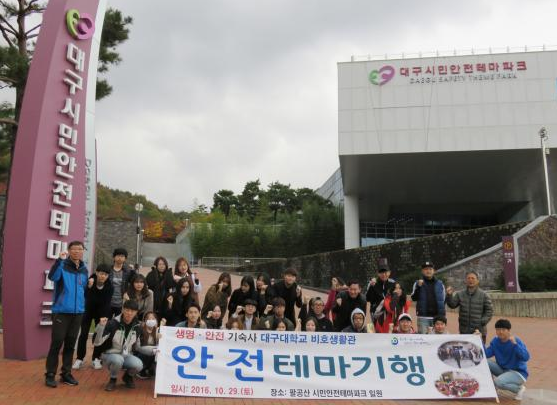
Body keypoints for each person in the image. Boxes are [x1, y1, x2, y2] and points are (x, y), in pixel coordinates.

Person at [45, 242, 89, 388]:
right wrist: (59, 260)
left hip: (78, 313)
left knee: (70, 345)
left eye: (80, 249)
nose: (77, 251)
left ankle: (66, 373)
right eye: (74, 249)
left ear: (82, 251)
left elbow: (83, 289)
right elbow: (52, 277)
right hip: (61, 312)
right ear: (69, 251)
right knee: (57, 343)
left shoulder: (84, 269)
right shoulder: (62, 265)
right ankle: (50, 374)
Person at [94, 300, 144, 392]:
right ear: (122, 309)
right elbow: (97, 343)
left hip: (126, 355)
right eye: (127, 310)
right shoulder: (112, 324)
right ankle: (113, 379)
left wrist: (154, 350)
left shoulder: (138, 326)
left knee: (139, 365)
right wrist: (101, 327)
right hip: (109, 354)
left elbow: (138, 347)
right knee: (118, 360)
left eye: (132, 311)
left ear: (136, 312)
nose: (129, 313)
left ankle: (127, 377)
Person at [73, 263, 114, 371]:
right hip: (88, 310)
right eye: (101, 273)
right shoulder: (89, 281)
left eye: (105, 274)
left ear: (108, 276)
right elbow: (84, 296)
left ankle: (96, 358)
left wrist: (104, 317)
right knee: (83, 334)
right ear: (96, 273)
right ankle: (79, 358)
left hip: (101, 312)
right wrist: (89, 287)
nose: (103, 276)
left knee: (98, 335)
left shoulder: (110, 287)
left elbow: (107, 303)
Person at [485, 319, 530, 400]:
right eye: (498, 329)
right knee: (486, 362)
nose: (500, 332)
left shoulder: (516, 341)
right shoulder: (495, 341)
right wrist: (479, 339)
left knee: (498, 382)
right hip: (504, 370)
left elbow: (526, 357)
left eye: (503, 329)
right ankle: (493, 386)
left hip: (518, 373)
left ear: (509, 331)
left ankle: (519, 389)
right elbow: (486, 354)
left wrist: (515, 345)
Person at [446, 271, 493, 343]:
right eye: (468, 278)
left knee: (479, 349)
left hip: (478, 331)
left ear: (477, 281)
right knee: (464, 349)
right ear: (466, 280)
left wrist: (482, 322)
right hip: (464, 331)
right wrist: (449, 295)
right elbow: (452, 305)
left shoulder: (484, 295)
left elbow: (489, 311)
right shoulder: (460, 294)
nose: (470, 280)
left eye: (473, 278)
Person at [411, 262, 446, 334]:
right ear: (422, 271)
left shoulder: (440, 283)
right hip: (423, 318)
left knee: (438, 339)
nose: (428, 271)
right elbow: (414, 298)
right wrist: (418, 287)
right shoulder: (417, 283)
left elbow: (443, 299)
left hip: (438, 318)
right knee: (423, 339)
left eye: (430, 269)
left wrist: (442, 316)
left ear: (434, 271)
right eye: (426, 269)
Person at [109, 248, 135, 317]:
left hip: (121, 302)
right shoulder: (108, 269)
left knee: (119, 321)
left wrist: (133, 271)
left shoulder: (127, 271)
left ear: (125, 259)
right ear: (114, 257)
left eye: (122, 256)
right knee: (106, 321)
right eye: (118, 255)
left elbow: (135, 280)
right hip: (108, 301)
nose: (120, 258)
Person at [135, 312, 162, 380]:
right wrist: (153, 348)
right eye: (149, 318)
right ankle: (141, 370)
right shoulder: (140, 329)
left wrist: (159, 338)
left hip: (153, 353)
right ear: (145, 320)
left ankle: (150, 369)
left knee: (157, 352)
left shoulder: (157, 330)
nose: (151, 320)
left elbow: (161, 345)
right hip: (140, 353)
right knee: (151, 352)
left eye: (153, 318)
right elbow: (137, 347)